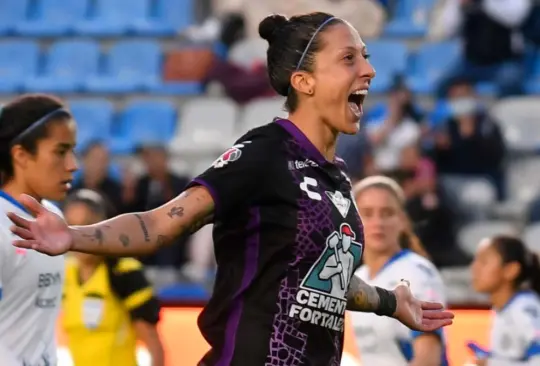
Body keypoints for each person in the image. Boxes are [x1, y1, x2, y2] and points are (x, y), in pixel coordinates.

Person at [7, 12, 454, 366]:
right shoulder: (265, 152)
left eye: (366, 55)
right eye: (349, 58)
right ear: (304, 81)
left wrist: (389, 302)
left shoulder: (334, 176)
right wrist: (73, 237)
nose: (370, 70)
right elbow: (164, 222)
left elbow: (321, 280)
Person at [0, 94, 77, 365]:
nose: (73, 164)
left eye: (73, 151)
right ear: (21, 155)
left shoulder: (52, 217)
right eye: (60, 151)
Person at [350, 176, 449, 366]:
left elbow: (428, 359)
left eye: (387, 213)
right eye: (367, 213)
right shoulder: (358, 277)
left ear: (402, 220)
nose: (378, 222)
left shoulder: (416, 273)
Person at [61, 189, 164, 366]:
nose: (79, 235)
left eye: (87, 225)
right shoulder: (64, 273)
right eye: (72, 226)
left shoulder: (124, 272)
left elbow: (153, 344)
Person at [469, 235, 540, 365]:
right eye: (475, 260)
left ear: (511, 270)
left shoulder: (525, 309)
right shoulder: (502, 308)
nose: (474, 268)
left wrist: (491, 363)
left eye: (484, 262)